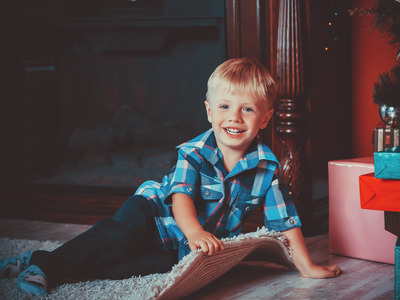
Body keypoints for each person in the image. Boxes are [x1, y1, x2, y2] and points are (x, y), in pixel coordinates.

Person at [0, 58, 342, 296]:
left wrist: (307, 266)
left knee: (125, 267)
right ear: (209, 111)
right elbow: (179, 197)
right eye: (224, 107)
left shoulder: (267, 167)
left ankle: (36, 260)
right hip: (152, 214)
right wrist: (194, 230)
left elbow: (284, 221)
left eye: (247, 109)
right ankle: (47, 266)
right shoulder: (192, 152)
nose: (234, 117)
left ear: (265, 119)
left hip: (179, 248)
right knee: (116, 236)